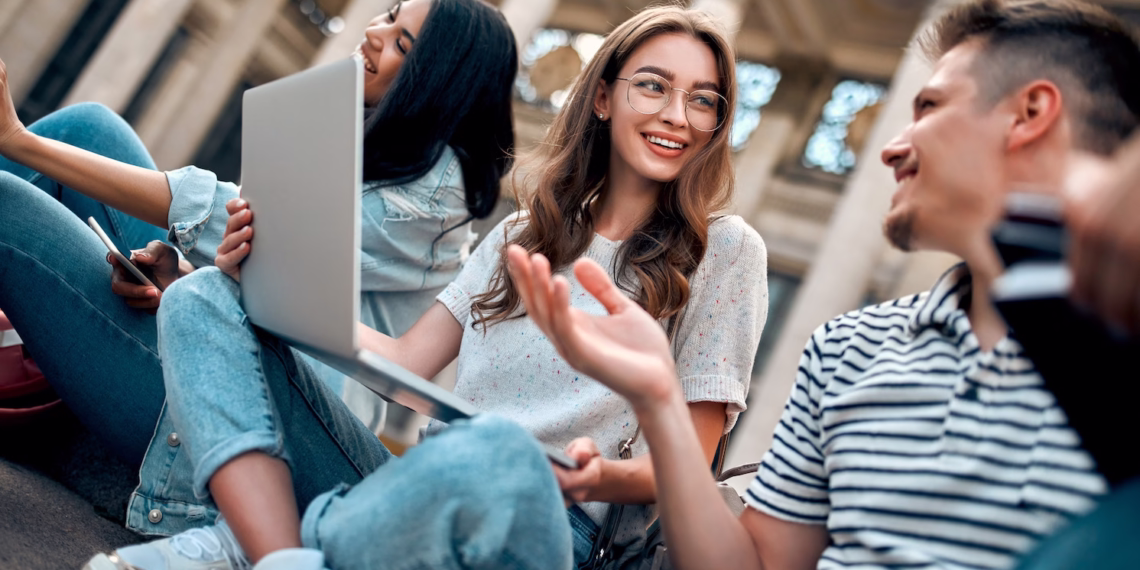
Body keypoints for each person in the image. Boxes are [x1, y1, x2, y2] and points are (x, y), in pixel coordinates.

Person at [90, 5, 768, 570]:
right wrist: (258, 285)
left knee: (502, 451)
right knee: (202, 295)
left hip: (546, 521)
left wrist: (588, 476)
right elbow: (403, 363)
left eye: (703, 100)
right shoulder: (523, 235)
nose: (678, 115)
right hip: (415, 480)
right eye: (653, 86)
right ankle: (279, 555)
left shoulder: (725, 251)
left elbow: (685, 468)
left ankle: (260, 546)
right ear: (602, 96)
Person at [505, 1, 1140, 569]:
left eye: (929, 107)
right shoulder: (847, 347)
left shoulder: (1111, 362)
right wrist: (662, 403)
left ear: (1030, 112)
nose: (890, 148)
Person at [0, 0, 515, 537]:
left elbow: (243, 222)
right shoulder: (385, 136)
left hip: (248, 398)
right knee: (92, 125)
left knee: (7, 205)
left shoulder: (432, 188)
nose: (373, 33)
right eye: (388, 15)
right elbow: (266, 274)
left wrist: (20, 141)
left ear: (437, 81)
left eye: (402, 44)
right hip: (227, 334)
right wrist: (181, 273)